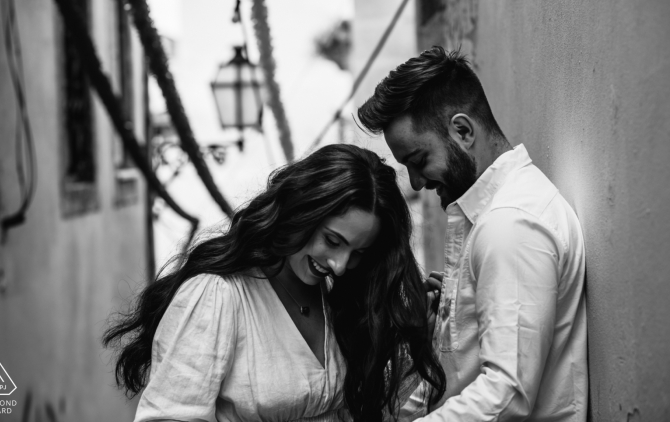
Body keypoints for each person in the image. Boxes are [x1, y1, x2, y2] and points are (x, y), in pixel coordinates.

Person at [103, 144, 446, 422]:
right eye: (333, 240)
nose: (340, 266)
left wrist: (418, 339)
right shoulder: (218, 296)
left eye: (358, 252)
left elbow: (365, 412)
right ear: (300, 212)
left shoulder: (336, 297)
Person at [357, 46, 588, 421]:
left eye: (418, 161)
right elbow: (458, 378)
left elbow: (506, 393)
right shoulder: (489, 218)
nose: (416, 182)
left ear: (463, 131)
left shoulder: (510, 225)